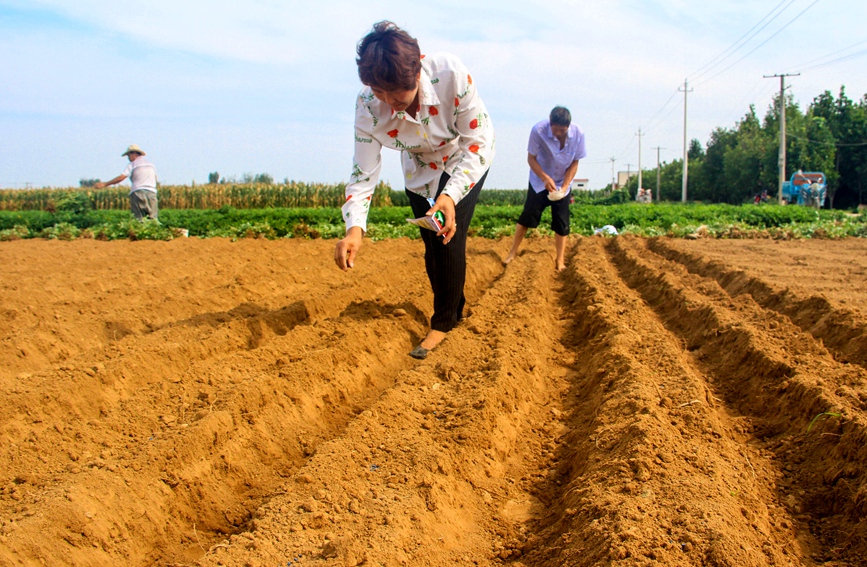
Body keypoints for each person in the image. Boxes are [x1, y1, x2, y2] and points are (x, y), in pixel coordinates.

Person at [333, 21, 495, 360]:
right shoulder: (367, 106)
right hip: (419, 170)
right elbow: (363, 172)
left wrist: (449, 197)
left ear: (416, 73)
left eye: (397, 94)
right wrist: (354, 230)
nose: (389, 103)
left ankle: (444, 323)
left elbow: (477, 142)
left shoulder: (451, 75)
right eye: (380, 92)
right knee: (431, 246)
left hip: (464, 158)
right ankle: (456, 305)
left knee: (447, 237)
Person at [504, 106, 586, 271]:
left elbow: (575, 162)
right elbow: (531, 158)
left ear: (568, 127)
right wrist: (545, 178)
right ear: (550, 123)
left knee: (562, 223)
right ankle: (512, 252)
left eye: (562, 131)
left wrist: (564, 186)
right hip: (540, 181)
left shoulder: (578, 134)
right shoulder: (538, 131)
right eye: (555, 130)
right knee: (528, 216)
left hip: (562, 183)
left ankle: (560, 260)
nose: (558, 134)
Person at [94, 144, 159, 221]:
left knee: (139, 219)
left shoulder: (132, 164)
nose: (128, 157)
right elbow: (155, 179)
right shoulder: (151, 165)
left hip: (138, 193)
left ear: (133, 153)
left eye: (128, 155)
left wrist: (105, 184)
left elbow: (121, 177)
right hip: (152, 193)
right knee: (153, 219)